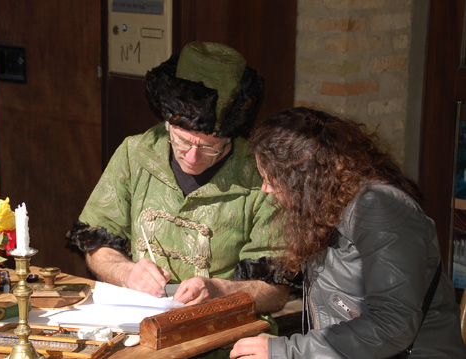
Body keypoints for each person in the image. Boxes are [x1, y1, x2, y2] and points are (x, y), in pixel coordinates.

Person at [67, 41, 291, 314]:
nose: (193, 157)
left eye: (210, 147)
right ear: (168, 124)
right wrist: (126, 272)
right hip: (141, 320)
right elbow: (97, 243)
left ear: (231, 137)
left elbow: (276, 290)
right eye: (182, 141)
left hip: (222, 331)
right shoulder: (135, 153)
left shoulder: (262, 177)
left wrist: (220, 290)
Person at [230, 107, 466, 358]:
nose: (266, 189)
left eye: (271, 179)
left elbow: (393, 325)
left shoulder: (380, 208)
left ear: (303, 178)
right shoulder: (328, 207)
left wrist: (287, 351)